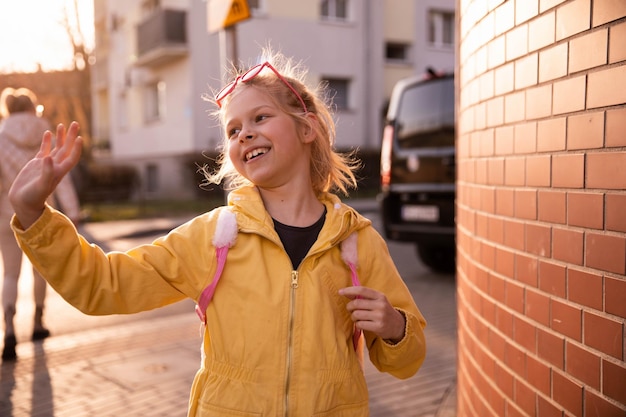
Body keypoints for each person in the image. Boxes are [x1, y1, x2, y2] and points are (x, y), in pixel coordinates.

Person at [7, 50, 426, 415]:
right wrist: (34, 215)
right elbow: (103, 285)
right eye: (232, 129)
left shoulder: (357, 242)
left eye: (260, 117)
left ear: (306, 128)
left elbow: (407, 359)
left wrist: (394, 328)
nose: (244, 133)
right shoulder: (214, 237)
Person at [0, 87, 81, 361]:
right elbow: (62, 176)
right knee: (40, 272)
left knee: (10, 274)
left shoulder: (0, 137)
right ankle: (37, 323)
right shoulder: (46, 134)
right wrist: (72, 210)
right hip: (41, 213)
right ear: (32, 107)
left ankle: (9, 329)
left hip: (6, 214)